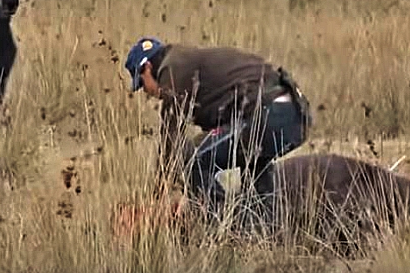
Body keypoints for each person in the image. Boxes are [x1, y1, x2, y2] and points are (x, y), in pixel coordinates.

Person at [124, 36, 313, 217]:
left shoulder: (174, 65)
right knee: (256, 180)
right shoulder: (186, 61)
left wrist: (158, 190)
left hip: (268, 113)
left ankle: (218, 226)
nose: (147, 93)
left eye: (142, 84)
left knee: (192, 159)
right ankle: (262, 233)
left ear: (147, 67)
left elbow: (170, 135)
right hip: (292, 115)